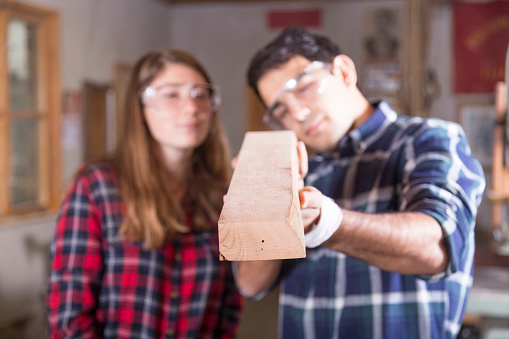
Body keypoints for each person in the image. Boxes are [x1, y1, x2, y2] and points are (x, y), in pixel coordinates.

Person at [235, 27, 485, 339]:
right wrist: (259, 202)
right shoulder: (301, 172)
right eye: (281, 109)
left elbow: (436, 249)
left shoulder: (427, 139)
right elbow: (251, 284)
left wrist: (325, 223)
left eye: (303, 88)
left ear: (343, 71)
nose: (297, 113)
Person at [47, 47, 242, 338]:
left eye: (200, 94)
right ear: (141, 107)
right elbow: (69, 315)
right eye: (172, 94)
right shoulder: (96, 186)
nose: (191, 107)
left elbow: (229, 306)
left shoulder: (222, 194)